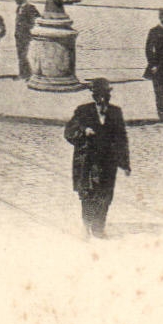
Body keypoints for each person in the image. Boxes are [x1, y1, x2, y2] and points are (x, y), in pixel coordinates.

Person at [64, 79, 131, 239]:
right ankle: (86, 226)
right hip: (88, 160)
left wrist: (125, 163)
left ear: (109, 96)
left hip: (108, 161)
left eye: (105, 96)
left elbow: (122, 138)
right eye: (99, 96)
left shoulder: (115, 112)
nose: (102, 100)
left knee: (106, 195)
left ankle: (99, 228)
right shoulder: (83, 111)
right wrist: (83, 131)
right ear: (94, 96)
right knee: (88, 194)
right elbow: (69, 132)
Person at [13, 0, 38, 81]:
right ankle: (23, 74)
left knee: (25, 55)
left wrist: (26, 26)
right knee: (20, 55)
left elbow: (34, 21)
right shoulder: (19, 8)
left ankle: (29, 74)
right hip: (19, 35)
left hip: (26, 35)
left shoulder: (30, 8)